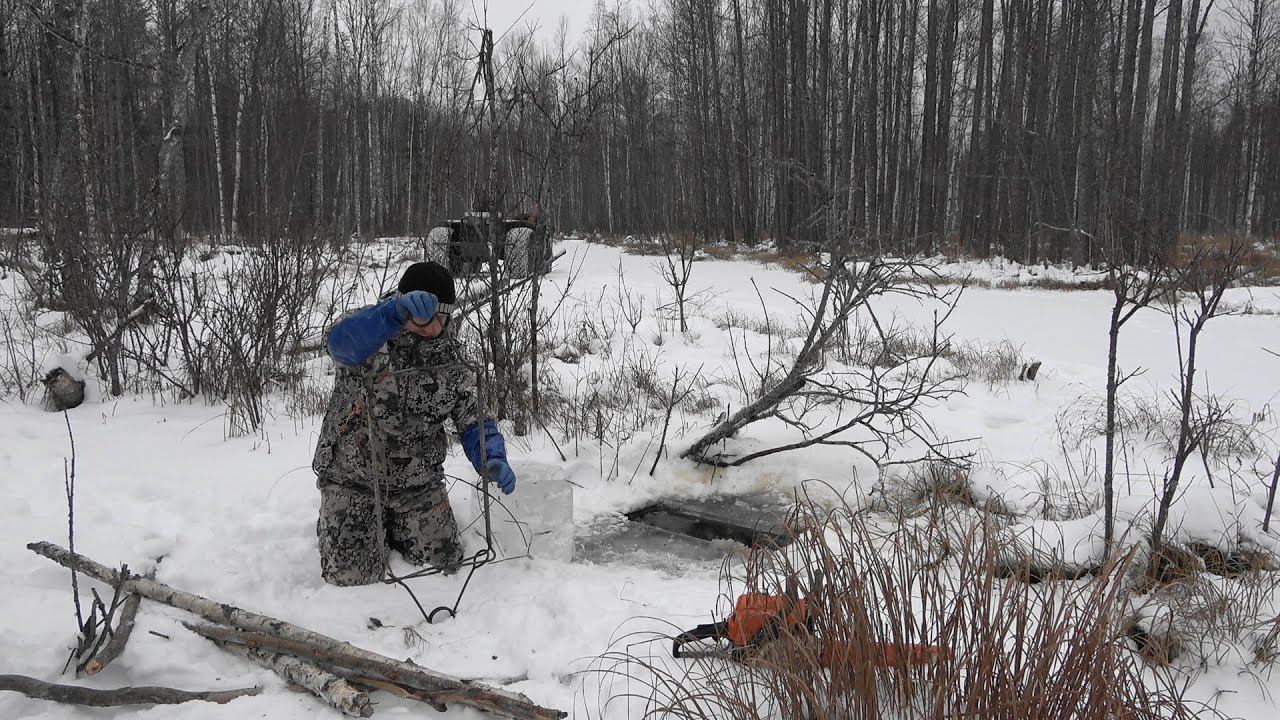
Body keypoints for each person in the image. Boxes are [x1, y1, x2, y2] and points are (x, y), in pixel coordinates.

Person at [311, 261, 516, 586]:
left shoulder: (452, 360)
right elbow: (339, 343)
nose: (431, 325)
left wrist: (491, 457)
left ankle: (396, 527)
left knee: (445, 566)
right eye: (423, 315)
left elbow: (473, 418)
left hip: (418, 485)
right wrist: (392, 314)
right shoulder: (370, 335)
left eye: (440, 317)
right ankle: (348, 524)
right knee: (353, 579)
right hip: (354, 481)